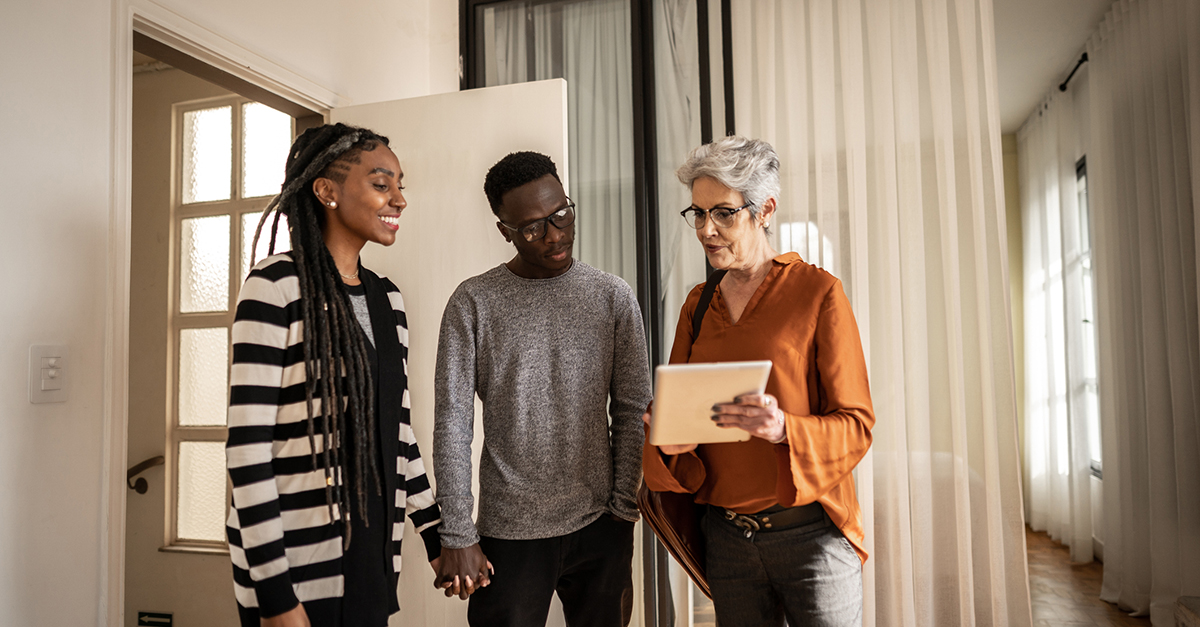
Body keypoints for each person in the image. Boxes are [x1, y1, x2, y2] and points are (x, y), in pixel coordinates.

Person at [642, 136, 875, 626]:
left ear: (765, 209)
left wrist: (784, 428)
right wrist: (665, 434)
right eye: (698, 214)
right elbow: (676, 428)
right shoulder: (696, 305)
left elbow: (856, 426)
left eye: (723, 213)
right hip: (728, 544)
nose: (707, 229)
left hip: (813, 540)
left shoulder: (818, 293)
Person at [226, 123, 443, 627]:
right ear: (326, 191)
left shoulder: (388, 300)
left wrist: (435, 536)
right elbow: (247, 450)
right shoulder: (275, 286)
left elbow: (398, 432)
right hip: (294, 571)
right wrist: (276, 594)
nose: (399, 200)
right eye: (382, 184)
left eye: (400, 185)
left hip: (371, 564)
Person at [431, 151, 653, 626]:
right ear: (505, 230)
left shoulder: (611, 296)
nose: (555, 235)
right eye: (533, 227)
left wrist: (623, 507)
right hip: (509, 533)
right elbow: (452, 425)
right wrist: (457, 531)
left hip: (601, 525)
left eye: (562, 215)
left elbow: (634, 406)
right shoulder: (473, 303)